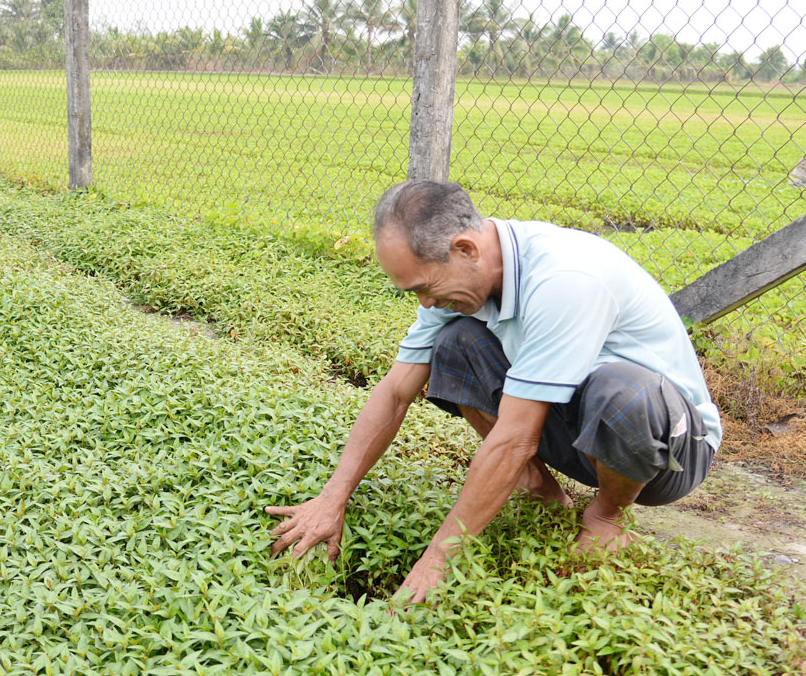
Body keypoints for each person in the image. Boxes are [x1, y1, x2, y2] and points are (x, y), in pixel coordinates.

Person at [266, 180, 721, 605]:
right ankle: (541, 489)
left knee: (622, 393)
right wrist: (332, 498)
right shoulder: (461, 278)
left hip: (664, 451)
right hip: (576, 428)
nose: (423, 304)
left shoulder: (565, 280)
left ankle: (606, 514)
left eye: (424, 288)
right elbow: (395, 392)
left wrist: (436, 562)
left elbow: (515, 437)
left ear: (465, 249)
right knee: (454, 344)